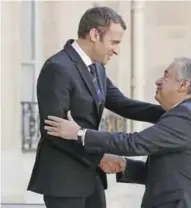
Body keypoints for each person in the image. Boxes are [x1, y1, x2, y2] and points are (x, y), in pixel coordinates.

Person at [44, 57, 191, 208]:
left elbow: (134, 143)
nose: (158, 81)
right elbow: (169, 172)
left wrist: (80, 133)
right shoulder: (189, 113)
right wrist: (125, 165)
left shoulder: (186, 115)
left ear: (184, 85)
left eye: (166, 76)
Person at [28, 6, 165, 208]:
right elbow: (54, 131)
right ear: (94, 34)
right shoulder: (58, 68)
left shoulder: (97, 68)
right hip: (64, 181)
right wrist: (99, 157)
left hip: (92, 178)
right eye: (114, 42)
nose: (117, 50)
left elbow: (123, 104)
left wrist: (171, 113)